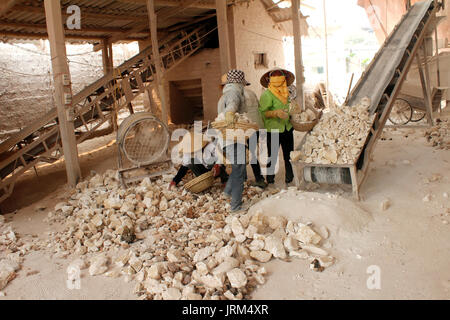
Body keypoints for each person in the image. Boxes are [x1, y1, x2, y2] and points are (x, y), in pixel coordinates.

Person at [219, 74, 267, 189]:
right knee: (252, 153)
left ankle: (241, 179)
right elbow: (259, 109)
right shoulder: (251, 93)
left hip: (240, 128)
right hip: (255, 126)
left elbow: (222, 114)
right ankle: (259, 179)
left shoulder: (228, 96)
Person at [216, 69, 250, 212]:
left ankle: (227, 192)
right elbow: (231, 109)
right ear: (239, 83)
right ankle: (235, 207)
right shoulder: (234, 94)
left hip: (225, 139)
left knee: (237, 168)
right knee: (239, 172)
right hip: (233, 139)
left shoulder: (224, 94)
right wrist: (230, 115)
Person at [259, 68, 295, 185]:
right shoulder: (267, 94)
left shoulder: (287, 93)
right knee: (273, 155)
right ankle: (270, 179)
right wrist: (275, 113)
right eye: (275, 76)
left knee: (289, 155)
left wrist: (294, 109)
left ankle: (289, 177)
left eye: (280, 75)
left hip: (287, 128)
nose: (278, 78)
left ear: (284, 78)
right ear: (270, 79)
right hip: (273, 129)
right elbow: (263, 113)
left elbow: (290, 107)